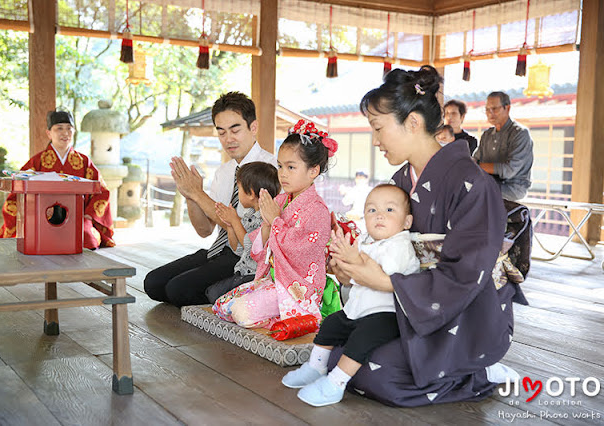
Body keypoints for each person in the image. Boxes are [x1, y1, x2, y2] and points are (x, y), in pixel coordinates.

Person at [323, 66, 520, 407]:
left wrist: (388, 283)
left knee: (377, 373)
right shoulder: (402, 179)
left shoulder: (474, 184)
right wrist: (353, 267)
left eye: (378, 128)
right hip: (411, 306)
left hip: (464, 311)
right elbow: (385, 244)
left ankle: (477, 370)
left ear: (412, 123)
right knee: (336, 352)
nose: (375, 139)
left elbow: (466, 273)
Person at [282, 184, 420, 407]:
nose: (380, 216)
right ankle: (316, 367)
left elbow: (386, 276)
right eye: (372, 210)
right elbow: (349, 277)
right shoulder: (365, 241)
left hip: (388, 313)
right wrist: (338, 262)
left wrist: (354, 260)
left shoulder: (400, 244)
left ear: (407, 222)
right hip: (357, 309)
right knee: (332, 323)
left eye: (390, 210)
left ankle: (336, 383)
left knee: (362, 337)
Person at [144, 92, 276, 307]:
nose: (228, 139)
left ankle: (234, 292)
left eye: (235, 129)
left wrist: (198, 193)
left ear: (253, 128)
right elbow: (204, 230)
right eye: (221, 132)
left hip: (245, 258)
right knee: (153, 283)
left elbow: (239, 226)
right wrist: (189, 194)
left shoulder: (271, 169)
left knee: (177, 290)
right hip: (218, 250)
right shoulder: (224, 172)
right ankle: (218, 291)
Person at [212, 119, 338, 328]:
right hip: (274, 281)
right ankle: (273, 313)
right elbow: (260, 251)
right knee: (222, 305)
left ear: (313, 171)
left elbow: (300, 252)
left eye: (291, 167)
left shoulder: (317, 210)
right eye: (280, 166)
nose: (283, 173)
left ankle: (294, 315)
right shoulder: (279, 200)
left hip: (296, 288)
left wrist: (275, 221)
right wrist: (269, 225)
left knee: (240, 312)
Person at [0, 109, 115, 249]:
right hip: (42, 217)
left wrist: (88, 215)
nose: (65, 133)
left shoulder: (84, 162)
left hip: (77, 218)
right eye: (59, 128)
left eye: (69, 129)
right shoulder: (37, 162)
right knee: (37, 239)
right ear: (49, 133)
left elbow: (102, 191)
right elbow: (18, 190)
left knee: (87, 239)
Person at [204, 161, 281, 303]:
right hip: (241, 272)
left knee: (218, 296)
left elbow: (253, 248)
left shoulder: (266, 219)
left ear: (251, 193)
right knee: (211, 292)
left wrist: (235, 221)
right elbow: (237, 249)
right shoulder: (249, 215)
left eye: (239, 189)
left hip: (255, 277)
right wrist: (230, 226)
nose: (238, 193)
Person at [473, 92, 534, 202]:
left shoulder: (520, 133)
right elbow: (475, 159)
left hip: (512, 188)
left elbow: (509, 170)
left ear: (507, 108)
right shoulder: (487, 135)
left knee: (474, 193)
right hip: (489, 183)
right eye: (487, 109)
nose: (490, 113)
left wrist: (476, 166)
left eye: (495, 108)